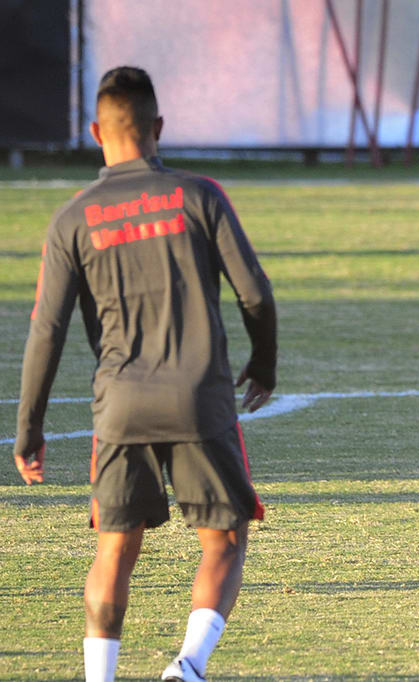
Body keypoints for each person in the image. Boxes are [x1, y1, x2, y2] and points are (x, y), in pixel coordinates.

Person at [12, 66, 277, 682]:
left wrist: (29, 430)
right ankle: (188, 666)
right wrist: (262, 365)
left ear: (94, 131)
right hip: (198, 398)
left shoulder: (72, 218)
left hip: (120, 403)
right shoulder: (199, 195)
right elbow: (256, 294)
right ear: (158, 127)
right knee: (225, 539)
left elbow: (45, 332)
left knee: (115, 546)